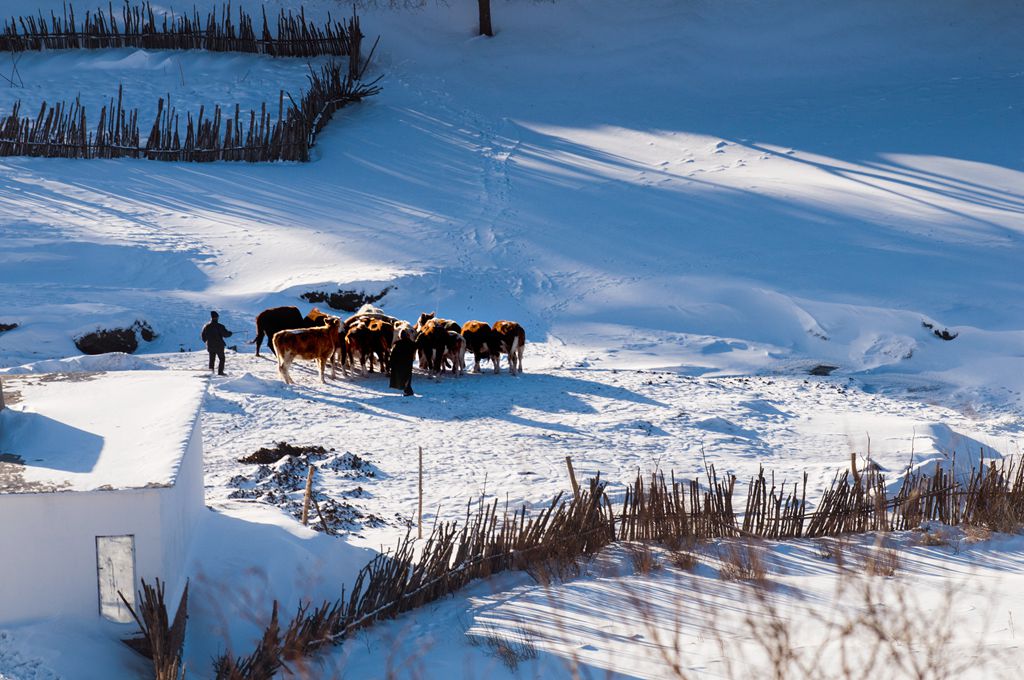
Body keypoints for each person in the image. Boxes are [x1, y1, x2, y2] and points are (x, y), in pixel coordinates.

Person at [201, 311, 233, 376]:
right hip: (219, 346)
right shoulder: (220, 326)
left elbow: (203, 336)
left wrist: (207, 342)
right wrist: (230, 333)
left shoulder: (206, 326)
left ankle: (210, 373)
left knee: (211, 360)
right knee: (222, 359)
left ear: (211, 317)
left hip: (210, 346)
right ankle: (220, 372)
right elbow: (225, 335)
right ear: (217, 317)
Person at [389, 332, 416, 396]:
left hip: (399, 363)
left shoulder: (397, 343)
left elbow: (393, 355)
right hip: (408, 363)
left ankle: (407, 390)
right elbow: (415, 348)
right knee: (407, 377)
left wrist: (391, 363)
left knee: (401, 377)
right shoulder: (411, 343)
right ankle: (407, 390)